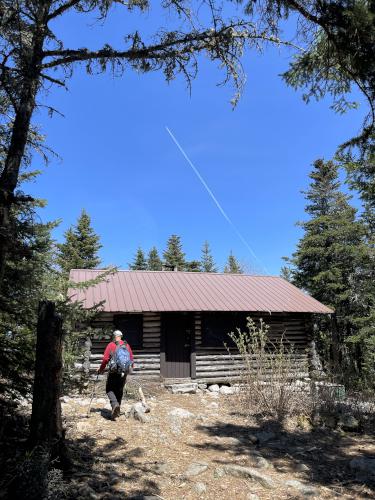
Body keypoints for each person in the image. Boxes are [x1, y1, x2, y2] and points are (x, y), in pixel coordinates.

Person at [97, 329, 134, 420]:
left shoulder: (111, 345)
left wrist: (101, 369)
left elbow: (105, 359)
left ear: (114, 336)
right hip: (123, 372)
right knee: (119, 390)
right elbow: (131, 359)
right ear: (121, 336)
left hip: (113, 372)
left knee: (109, 389)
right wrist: (128, 371)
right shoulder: (127, 345)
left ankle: (114, 405)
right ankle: (117, 410)